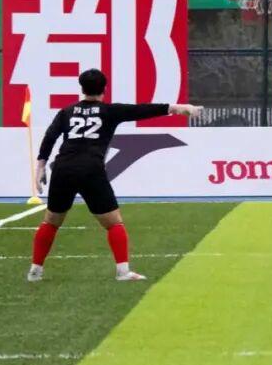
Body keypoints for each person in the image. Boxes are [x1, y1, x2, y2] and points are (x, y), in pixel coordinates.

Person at [27, 69, 203, 282]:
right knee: (113, 223)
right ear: (104, 88)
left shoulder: (66, 112)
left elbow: (50, 137)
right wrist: (179, 108)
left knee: (51, 221)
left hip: (63, 168)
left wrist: (40, 166)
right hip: (91, 169)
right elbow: (142, 110)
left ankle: (35, 271)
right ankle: (123, 271)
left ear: (82, 88)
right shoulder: (109, 111)